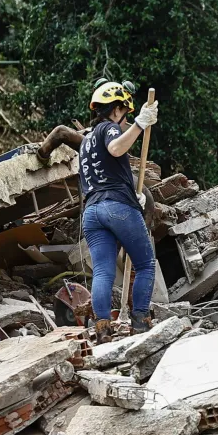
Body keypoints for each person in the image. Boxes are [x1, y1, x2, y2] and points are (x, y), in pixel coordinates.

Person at [79, 79, 159, 343]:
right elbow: (116, 148)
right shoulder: (109, 129)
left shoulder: (86, 141)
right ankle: (140, 322)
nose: (125, 121)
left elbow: (103, 173)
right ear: (116, 110)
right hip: (117, 208)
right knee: (145, 264)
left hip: (92, 212)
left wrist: (130, 190)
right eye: (126, 114)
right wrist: (140, 124)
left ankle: (102, 329)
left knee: (103, 271)